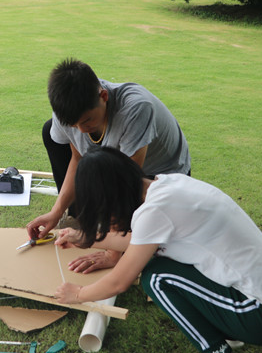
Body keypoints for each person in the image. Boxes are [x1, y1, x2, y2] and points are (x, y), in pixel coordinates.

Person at [54, 147, 262, 353]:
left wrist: (78, 294)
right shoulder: (167, 184)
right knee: (161, 265)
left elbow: (120, 281)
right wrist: (84, 238)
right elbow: (140, 241)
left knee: (156, 278)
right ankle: (227, 327)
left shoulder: (154, 212)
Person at [27, 58, 190, 274]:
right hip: (116, 168)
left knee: (153, 244)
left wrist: (112, 251)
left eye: (87, 121)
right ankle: (80, 217)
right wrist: (55, 213)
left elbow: (125, 184)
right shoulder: (66, 111)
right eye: (74, 125)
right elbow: (77, 158)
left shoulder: (136, 109)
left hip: (159, 176)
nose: (81, 130)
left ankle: (113, 230)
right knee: (50, 131)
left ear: (103, 96)